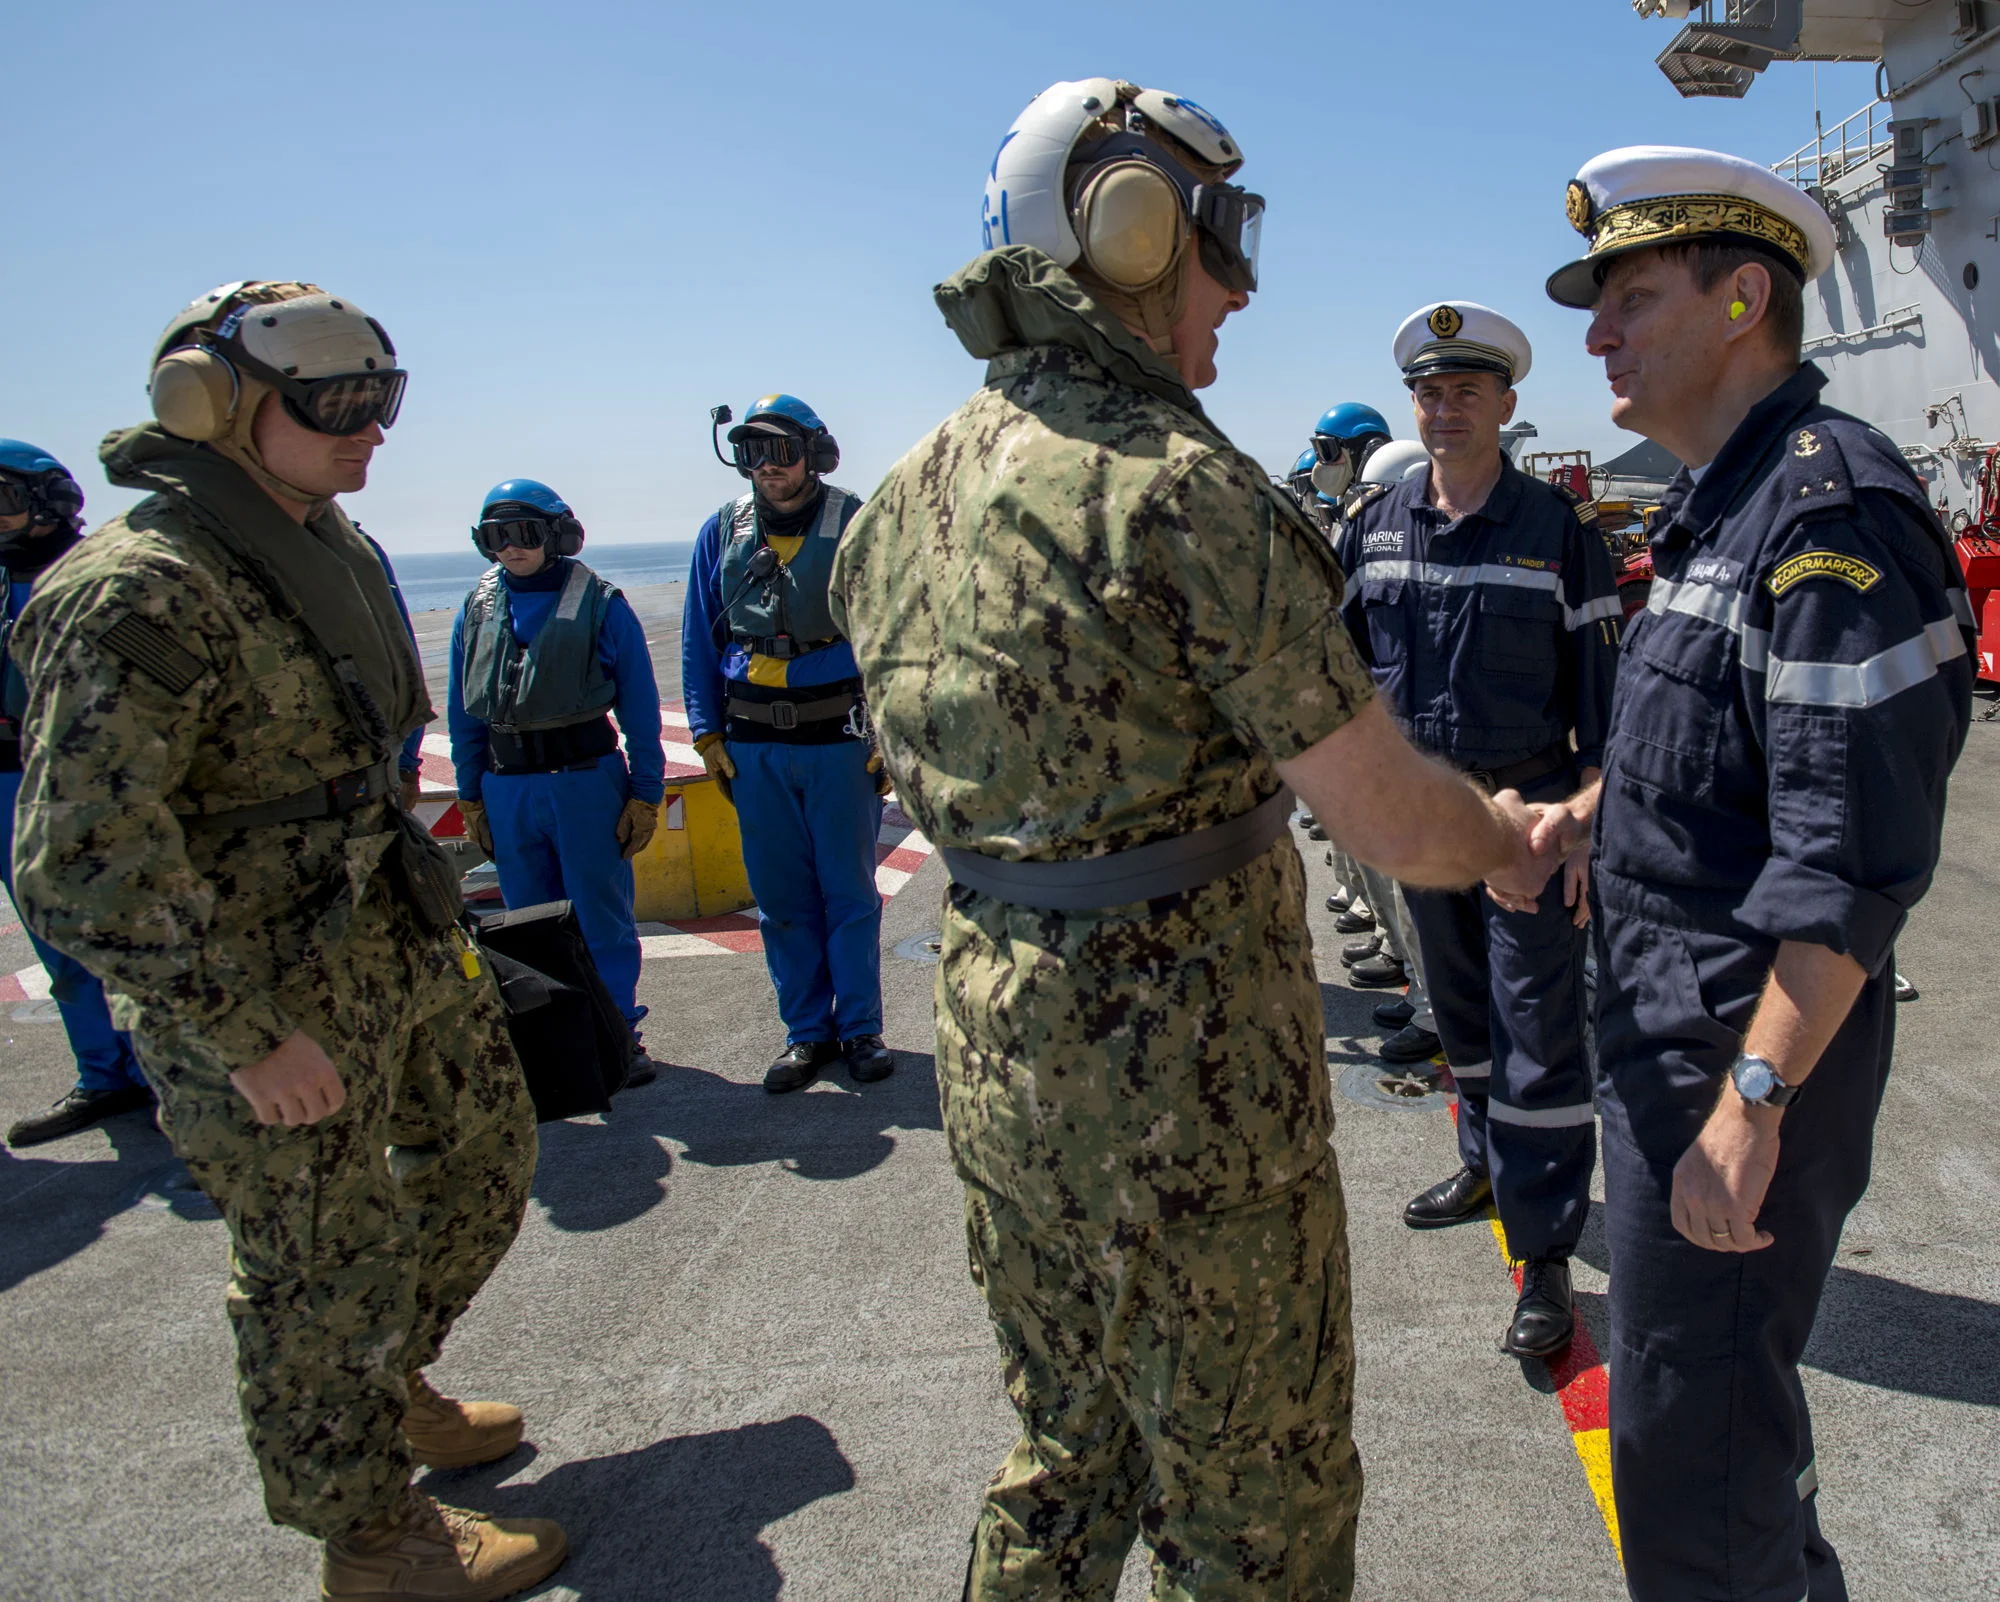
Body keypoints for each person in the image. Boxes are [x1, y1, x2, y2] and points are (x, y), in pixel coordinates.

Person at [830, 77, 1561, 1599]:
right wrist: (1499, 832)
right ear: (1131, 232)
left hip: (996, 1056)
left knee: (1065, 1448)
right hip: (1189, 1092)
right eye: (1222, 242)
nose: (1239, 286)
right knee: (1258, 1496)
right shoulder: (1183, 497)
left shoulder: (898, 501)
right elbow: (1374, 809)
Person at [8, 281, 564, 1601]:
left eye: (385, 396)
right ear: (216, 405)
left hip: (389, 937)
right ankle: (374, 1542)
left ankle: (384, 1388)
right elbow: (79, 863)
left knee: (488, 1154)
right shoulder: (143, 588)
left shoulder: (328, 545)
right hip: (256, 988)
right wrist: (245, 1036)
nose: (372, 427)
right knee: (321, 1266)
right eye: (337, 401)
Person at [1537, 146, 1974, 1602]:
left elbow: (1846, 860)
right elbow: (1724, 743)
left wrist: (1756, 1104)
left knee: (1693, 1468)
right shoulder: (1720, 504)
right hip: (1671, 1025)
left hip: (1744, 1041)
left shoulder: (1827, 517)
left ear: (1743, 300)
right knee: (1715, 1435)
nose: (1598, 333)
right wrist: (1594, 809)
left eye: (1631, 298)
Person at [1338, 300, 1622, 1358]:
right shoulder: (1372, 527)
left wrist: (1585, 824)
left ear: (1506, 403)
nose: (1444, 409)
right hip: (1424, 822)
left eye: (1466, 391)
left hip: (1528, 829)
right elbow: (1337, 684)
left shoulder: (1556, 532)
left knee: (1536, 1031)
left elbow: (1606, 706)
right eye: (1427, 392)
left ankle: (1543, 1250)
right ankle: (1482, 1162)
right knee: (1458, 1014)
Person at [680, 394, 892, 1094]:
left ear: (816, 455)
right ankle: (807, 1034)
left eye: (780, 451)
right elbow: (698, 637)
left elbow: (892, 637)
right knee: (781, 899)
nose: (765, 468)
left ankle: (860, 1029)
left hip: (838, 742)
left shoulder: (856, 523)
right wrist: (707, 733)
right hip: (754, 746)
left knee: (849, 893)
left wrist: (888, 735)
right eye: (750, 453)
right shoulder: (721, 531)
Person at [448, 478, 665, 1081]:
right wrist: (471, 793)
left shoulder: (601, 602)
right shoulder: (477, 606)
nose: (510, 548)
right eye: (497, 537)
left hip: (584, 784)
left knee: (600, 915)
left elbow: (641, 710)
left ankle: (619, 1033)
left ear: (557, 536)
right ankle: (559, 1041)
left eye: (523, 534)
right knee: (525, 921)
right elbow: (464, 710)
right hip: (507, 785)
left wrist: (646, 792)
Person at [0, 440, 154, 1148]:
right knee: (57, 947)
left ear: (51, 503)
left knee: (138, 942)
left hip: (103, 785)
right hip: (13, 783)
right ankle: (105, 1076)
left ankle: (172, 1084)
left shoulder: (109, 580)